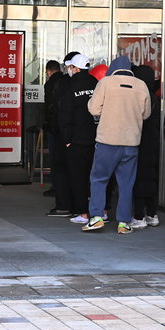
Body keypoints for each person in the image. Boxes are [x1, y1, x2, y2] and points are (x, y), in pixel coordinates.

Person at [84, 55, 151, 234]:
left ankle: (97, 217)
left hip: (108, 141)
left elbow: (93, 109)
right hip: (131, 143)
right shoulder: (141, 85)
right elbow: (146, 114)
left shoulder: (105, 82)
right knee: (126, 183)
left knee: (98, 179)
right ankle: (124, 223)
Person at [58, 54, 99, 223]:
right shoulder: (96, 85)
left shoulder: (70, 88)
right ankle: (100, 211)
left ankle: (83, 213)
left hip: (77, 141)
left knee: (79, 177)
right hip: (98, 139)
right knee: (98, 177)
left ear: (75, 68)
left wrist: (66, 140)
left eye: (70, 67)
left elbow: (65, 117)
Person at [46, 51, 80, 217]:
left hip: (63, 135)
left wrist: (54, 130)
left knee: (61, 169)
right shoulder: (92, 83)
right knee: (79, 171)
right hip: (82, 137)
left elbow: (54, 110)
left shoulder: (61, 83)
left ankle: (64, 207)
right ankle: (80, 208)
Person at [130, 65, 161, 229]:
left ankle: (139, 216)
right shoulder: (153, 96)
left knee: (140, 178)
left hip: (140, 141)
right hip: (153, 141)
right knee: (150, 177)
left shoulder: (141, 96)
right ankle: (151, 213)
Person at [43, 60, 64, 199]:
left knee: (54, 157)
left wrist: (47, 122)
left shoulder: (50, 84)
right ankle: (64, 186)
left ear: (49, 72)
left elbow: (48, 106)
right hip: (67, 126)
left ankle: (56, 186)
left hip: (54, 125)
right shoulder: (67, 81)